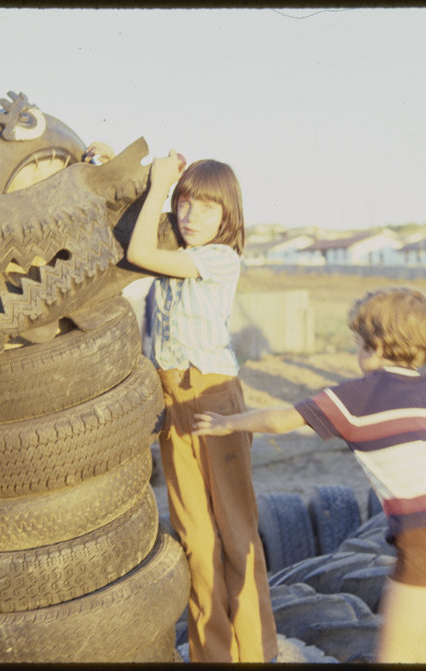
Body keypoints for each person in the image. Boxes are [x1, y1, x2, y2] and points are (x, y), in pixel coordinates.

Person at [193, 287, 426, 664]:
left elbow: (283, 420)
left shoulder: (358, 396)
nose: (357, 350)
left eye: (358, 342)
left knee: (395, 653)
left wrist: (227, 422)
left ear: (375, 346)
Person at [90, 141, 278, 663]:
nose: (192, 215)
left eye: (208, 206)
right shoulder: (179, 250)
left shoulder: (217, 258)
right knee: (194, 536)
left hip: (213, 395)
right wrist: (121, 171)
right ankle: (212, 657)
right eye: (186, 202)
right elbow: (135, 231)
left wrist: (160, 186)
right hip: (172, 396)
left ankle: (258, 654)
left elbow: (138, 253)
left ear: (229, 214)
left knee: (236, 531)